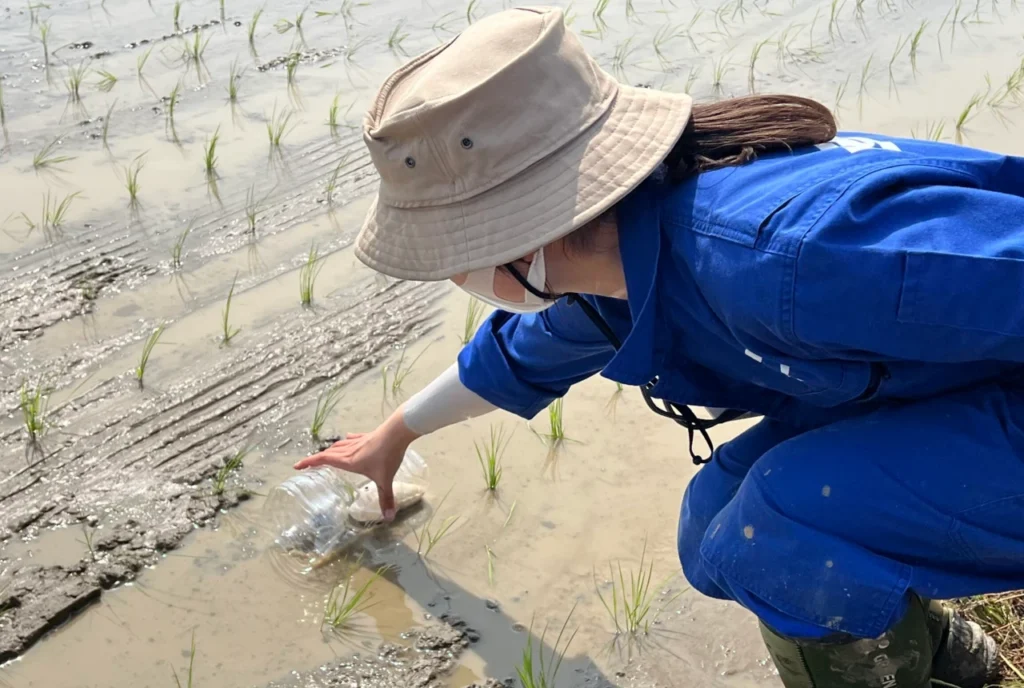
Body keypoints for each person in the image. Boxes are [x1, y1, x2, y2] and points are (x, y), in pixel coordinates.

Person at [294, 6, 1024, 687]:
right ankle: (941, 651)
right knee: (713, 520)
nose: (451, 272)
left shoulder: (799, 256)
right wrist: (393, 436)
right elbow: (522, 353)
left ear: (528, 231)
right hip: (967, 380)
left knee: (772, 530)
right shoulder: (634, 254)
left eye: (451, 245)